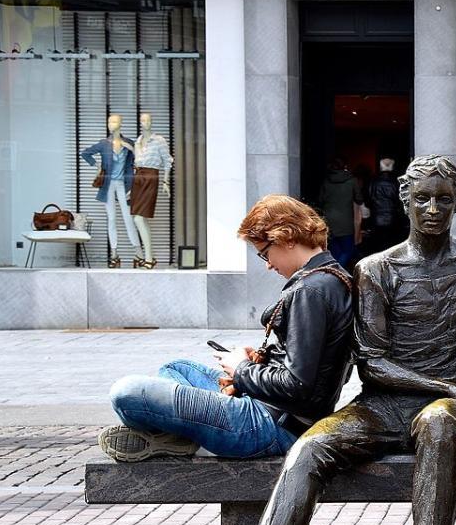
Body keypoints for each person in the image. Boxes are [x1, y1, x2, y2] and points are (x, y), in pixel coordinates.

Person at [198, 155, 456, 525]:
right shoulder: (375, 269)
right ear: (404, 201)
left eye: (443, 199)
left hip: (444, 412)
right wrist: (448, 387)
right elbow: (374, 363)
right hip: (383, 403)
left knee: (440, 425)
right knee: (310, 447)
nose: (432, 209)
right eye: (421, 198)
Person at [100, 195, 355, 461]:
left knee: (125, 392)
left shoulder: (311, 291)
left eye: (265, 253)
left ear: (287, 237)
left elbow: (298, 385)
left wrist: (242, 370)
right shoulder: (329, 277)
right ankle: (180, 435)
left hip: (267, 425)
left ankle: (181, 434)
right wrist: (256, 361)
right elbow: (310, 367)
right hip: (271, 412)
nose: (268, 264)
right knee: (177, 368)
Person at [318, 157, 361, 270]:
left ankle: (334, 273)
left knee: (334, 251)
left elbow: (320, 200)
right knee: (348, 250)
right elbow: (359, 199)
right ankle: (335, 271)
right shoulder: (352, 180)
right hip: (346, 220)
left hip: (328, 220)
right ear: (344, 166)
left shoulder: (326, 181)